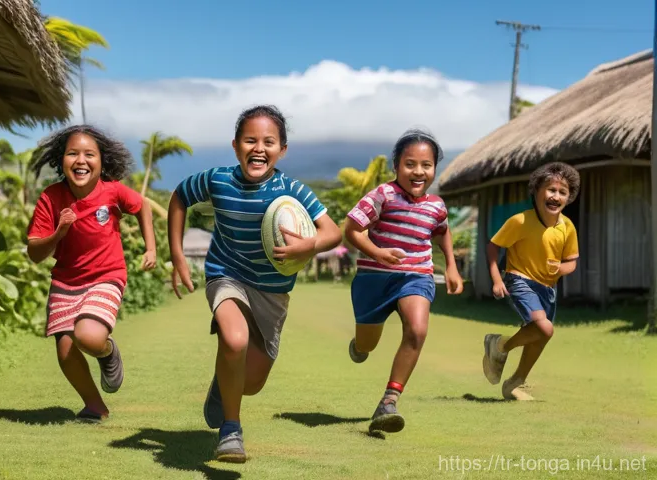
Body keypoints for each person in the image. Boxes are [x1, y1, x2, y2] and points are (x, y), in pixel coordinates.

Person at [168, 105, 342, 463]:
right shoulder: (218, 180)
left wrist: (308, 244)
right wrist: (179, 256)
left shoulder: (293, 190)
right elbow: (179, 197)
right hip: (226, 274)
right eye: (250, 140)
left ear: (283, 150)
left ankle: (224, 382)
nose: (258, 148)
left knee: (252, 382)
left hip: (272, 292)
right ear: (235, 146)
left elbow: (333, 231)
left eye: (268, 141)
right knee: (234, 339)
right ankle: (231, 430)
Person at [27, 125, 157, 422]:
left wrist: (150, 248)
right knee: (65, 352)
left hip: (106, 275)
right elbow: (35, 253)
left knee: (88, 336)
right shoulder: (51, 197)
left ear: (102, 161)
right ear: (62, 160)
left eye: (89, 154)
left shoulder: (112, 191)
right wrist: (58, 233)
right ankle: (95, 406)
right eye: (73, 153)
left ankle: (108, 352)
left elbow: (143, 207)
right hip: (65, 281)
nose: (81, 160)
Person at [345, 128, 463, 433]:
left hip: (417, 275)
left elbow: (442, 230)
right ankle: (359, 344)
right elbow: (352, 230)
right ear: (396, 166)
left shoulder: (436, 206)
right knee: (367, 344)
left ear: (435, 168)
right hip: (374, 278)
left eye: (426, 165)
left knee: (417, 329)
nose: (419, 171)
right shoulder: (383, 195)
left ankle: (389, 400)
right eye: (410, 164)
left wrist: (451, 266)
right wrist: (378, 252)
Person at [482, 162, 580, 400]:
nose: (555, 196)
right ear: (536, 191)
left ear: (569, 197)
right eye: (550, 189)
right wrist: (497, 280)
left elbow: (571, 262)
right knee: (545, 327)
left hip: (547, 289)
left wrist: (560, 268)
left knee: (541, 334)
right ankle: (501, 346)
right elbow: (493, 247)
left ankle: (514, 383)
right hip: (519, 279)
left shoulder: (567, 227)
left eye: (562, 192)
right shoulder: (520, 221)